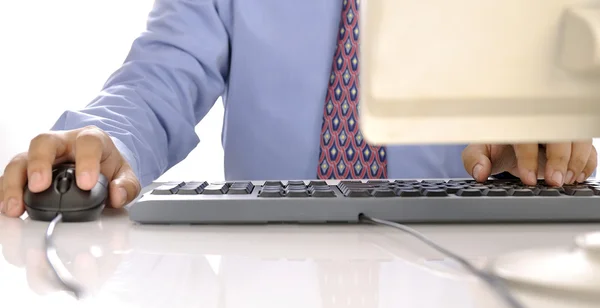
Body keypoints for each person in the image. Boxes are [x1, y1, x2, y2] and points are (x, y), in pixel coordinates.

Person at [0, 0, 596, 218]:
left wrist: (546, 134)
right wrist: (108, 138)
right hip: (263, 271)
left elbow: (560, 81)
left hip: (464, 268)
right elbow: (159, 75)